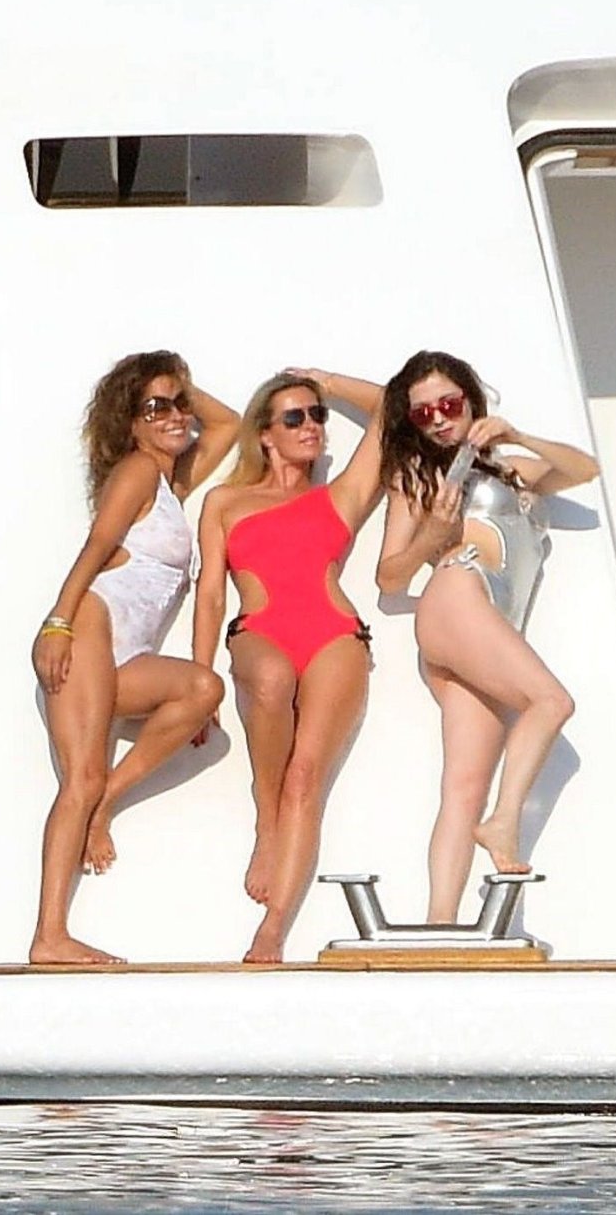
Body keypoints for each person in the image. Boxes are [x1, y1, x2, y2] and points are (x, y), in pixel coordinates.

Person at [374, 350, 599, 924]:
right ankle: (505, 821)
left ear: (471, 401)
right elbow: (390, 577)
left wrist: (515, 435)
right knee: (551, 701)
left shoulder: (509, 468)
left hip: (487, 617)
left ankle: (439, 924)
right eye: (423, 413)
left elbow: (584, 469)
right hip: (458, 592)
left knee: (463, 788)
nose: (438, 420)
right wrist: (433, 535)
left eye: (449, 405)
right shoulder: (418, 476)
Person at [29, 351, 239, 965]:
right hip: (90, 627)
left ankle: (106, 804)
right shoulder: (139, 470)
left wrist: (173, 384)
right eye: (155, 407)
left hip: (128, 653)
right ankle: (50, 936)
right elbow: (97, 546)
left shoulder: (171, 484)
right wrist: (59, 622)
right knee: (80, 779)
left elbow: (226, 425)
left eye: (180, 404)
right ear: (129, 421)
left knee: (201, 690)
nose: (176, 416)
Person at [191, 369, 385, 962]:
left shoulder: (339, 495)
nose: (312, 426)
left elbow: (390, 408)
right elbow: (211, 594)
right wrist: (203, 681)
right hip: (261, 630)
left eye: (317, 415)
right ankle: (266, 817)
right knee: (271, 680)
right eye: (295, 417)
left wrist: (324, 381)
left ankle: (273, 928)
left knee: (306, 779)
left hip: (334, 635)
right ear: (265, 434)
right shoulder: (225, 502)